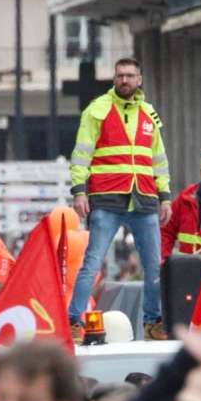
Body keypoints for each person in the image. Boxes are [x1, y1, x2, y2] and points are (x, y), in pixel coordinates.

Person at [67, 57, 172, 342]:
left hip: (145, 198)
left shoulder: (149, 114)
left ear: (139, 80)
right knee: (92, 263)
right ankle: (73, 321)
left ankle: (153, 322)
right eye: (120, 75)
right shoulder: (97, 110)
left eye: (130, 75)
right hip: (107, 198)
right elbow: (81, 155)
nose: (124, 80)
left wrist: (165, 197)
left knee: (154, 266)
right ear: (114, 79)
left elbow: (158, 160)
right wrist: (79, 191)